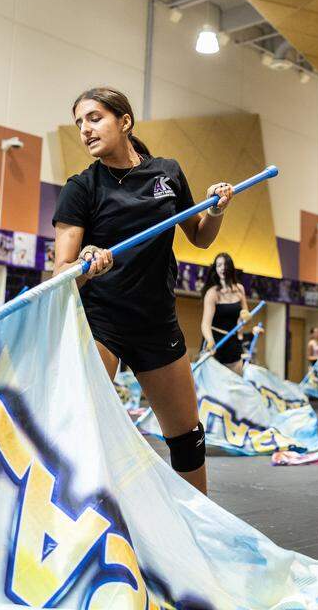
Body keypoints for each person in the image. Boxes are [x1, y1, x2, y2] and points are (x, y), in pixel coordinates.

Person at [52, 86, 233, 494]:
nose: (85, 129)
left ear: (125, 122)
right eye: (79, 122)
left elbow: (200, 237)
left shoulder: (167, 172)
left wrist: (216, 210)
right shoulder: (81, 188)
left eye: (94, 118)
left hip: (156, 321)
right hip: (101, 323)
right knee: (81, 431)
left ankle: (199, 530)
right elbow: (58, 275)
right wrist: (86, 263)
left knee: (187, 437)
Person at [199, 253, 252, 375]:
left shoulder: (239, 289)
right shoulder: (212, 293)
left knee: (235, 381)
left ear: (231, 267)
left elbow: (245, 318)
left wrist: (246, 317)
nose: (222, 268)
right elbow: (205, 324)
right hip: (215, 342)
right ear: (215, 269)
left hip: (233, 341)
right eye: (219, 265)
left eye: (225, 265)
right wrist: (210, 340)